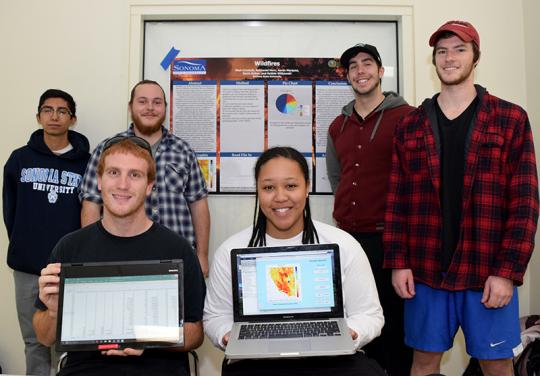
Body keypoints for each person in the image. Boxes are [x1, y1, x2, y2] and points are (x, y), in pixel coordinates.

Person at [383, 20, 539, 376]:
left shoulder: (510, 118)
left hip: (487, 270)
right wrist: (398, 261)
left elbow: (525, 203)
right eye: (441, 51)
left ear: (475, 57)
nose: (449, 58)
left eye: (459, 49)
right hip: (424, 271)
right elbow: (396, 200)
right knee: (423, 363)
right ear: (433, 59)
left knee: (497, 364)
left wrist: (507, 272)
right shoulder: (411, 124)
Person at [204, 146, 385, 376]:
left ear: (307, 187)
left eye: (291, 186)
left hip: (332, 362)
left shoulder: (344, 244)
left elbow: (370, 314)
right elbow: (215, 316)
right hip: (257, 363)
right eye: (268, 187)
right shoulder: (231, 249)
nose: (280, 197)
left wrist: (352, 331)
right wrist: (226, 333)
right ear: (258, 191)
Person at [33, 136, 206, 375]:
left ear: (148, 186)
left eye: (134, 175)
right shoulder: (70, 248)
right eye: (114, 172)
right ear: (99, 181)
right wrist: (54, 311)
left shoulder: (178, 249)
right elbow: (43, 337)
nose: (123, 184)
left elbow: (196, 333)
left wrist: (146, 338)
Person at [325, 43, 414, 375]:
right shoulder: (339, 125)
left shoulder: (407, 117)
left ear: (380, 71)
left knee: (395, 327)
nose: (360, 71)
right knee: (358, 326)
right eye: (352, 67)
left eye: (366, 64)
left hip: (392, 242)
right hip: (350, 240)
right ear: (347, 76)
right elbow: (338, 176)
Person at [79, 80, 210, 276]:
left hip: (177, 259)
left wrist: (202, 255)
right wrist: (91, 255)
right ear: (130, 107)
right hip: (119, 259)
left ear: (165, 108)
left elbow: (198, 205)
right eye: (143, 101)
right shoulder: (108, 150)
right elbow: (90, 205)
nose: (150, 108)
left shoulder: (183, 151)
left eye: (157, 102)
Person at [3, 89, 90, 375]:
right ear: (38, 116)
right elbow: (10, 210)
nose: (54, 116)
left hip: (70, 268)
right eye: (48, 110)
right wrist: (24, 244)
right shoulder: (19, 160)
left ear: (72, 118)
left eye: (62, 111)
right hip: (28, 269)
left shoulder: (86, 162)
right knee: (34, 342)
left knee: (71, 344)